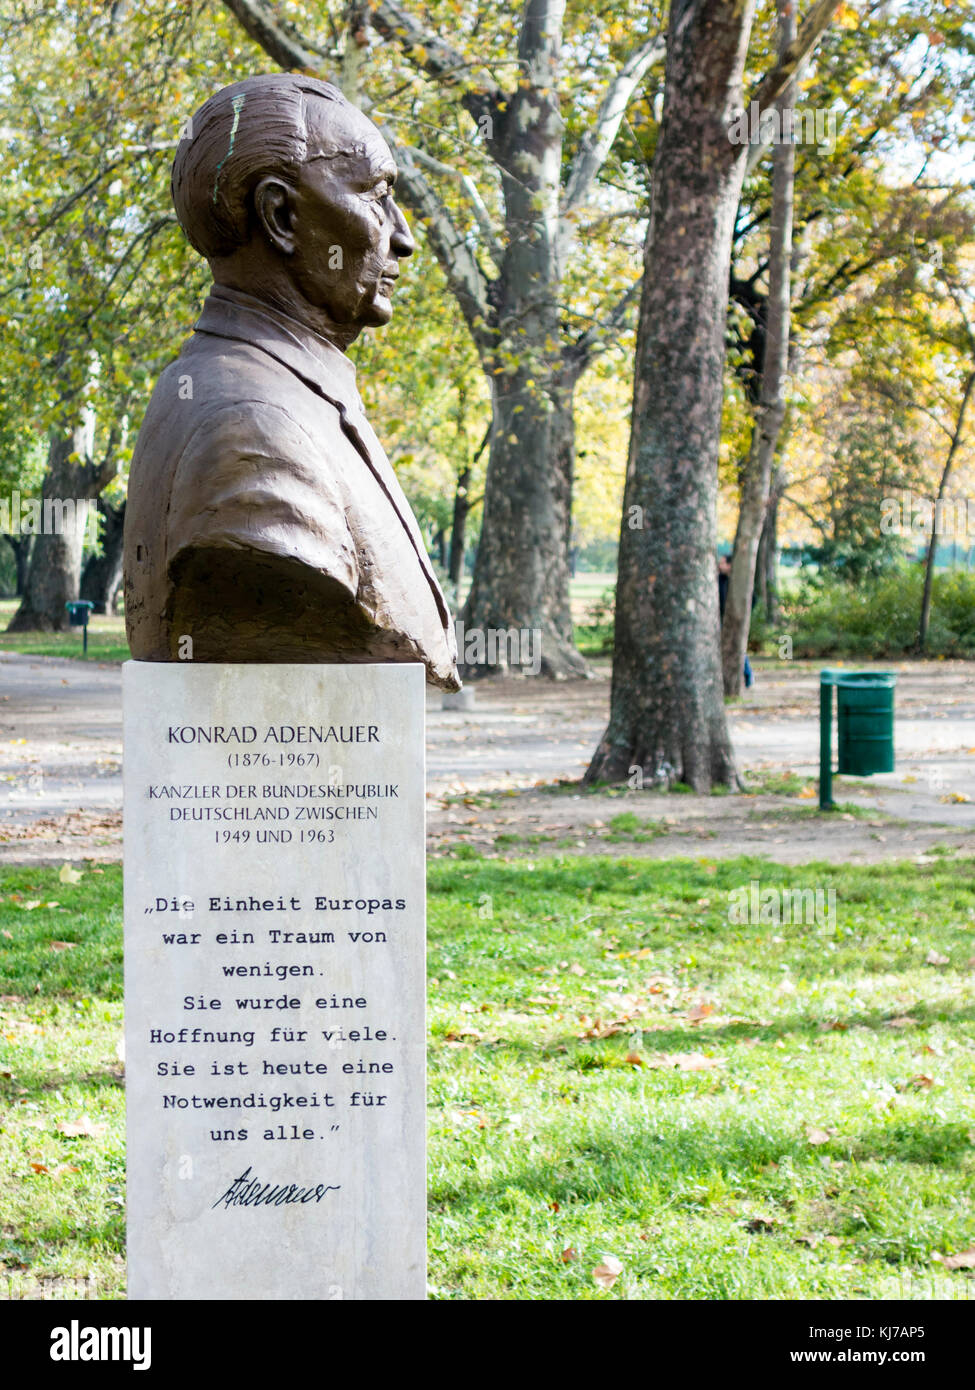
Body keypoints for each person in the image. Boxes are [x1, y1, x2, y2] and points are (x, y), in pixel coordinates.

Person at [123, 74, 459, 690]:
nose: (403, 237)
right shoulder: (252, 427)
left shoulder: (252, 388)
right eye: (375, 196)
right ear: (279, 214)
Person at [717, 552, 753, 689]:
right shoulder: (719, 579)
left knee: (737, 647)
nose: (720, 565)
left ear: (730, 565)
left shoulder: (739, 581)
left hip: (735, 620)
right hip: (720, 620)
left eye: (722, 563)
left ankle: (747, 676)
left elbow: (751, 599)